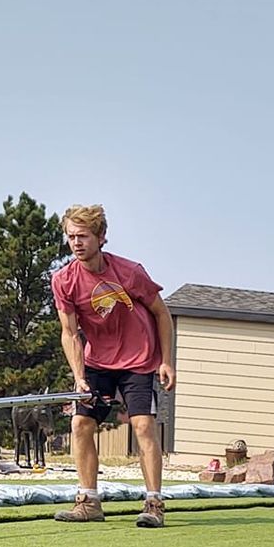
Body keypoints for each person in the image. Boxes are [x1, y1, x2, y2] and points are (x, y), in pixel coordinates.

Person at [50, 204, 176, 527]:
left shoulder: (129, 272)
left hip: (138, 359)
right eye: (71, 237)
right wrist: (79, 377)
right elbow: (70, 333)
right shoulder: (64, 281)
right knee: (80, 425)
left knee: (143, 426)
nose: (76, 243)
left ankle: (154, 504)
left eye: (83, 236)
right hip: (97, 362)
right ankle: (89, 501)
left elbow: (162, 314)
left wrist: (166, 361)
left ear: (101, 237)